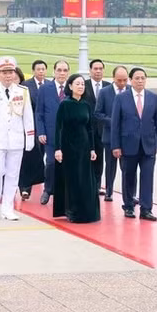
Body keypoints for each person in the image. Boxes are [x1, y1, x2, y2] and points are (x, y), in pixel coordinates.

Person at [0, 56, 35, 220]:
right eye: (5, 72)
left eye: (11, 72)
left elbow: (28, 117)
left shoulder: (22, 92)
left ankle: (7, 207)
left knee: (12, 174)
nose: (8, 75)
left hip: (16, 139)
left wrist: (29, 137)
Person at [111, 67, 157, 221]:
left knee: (147, 177)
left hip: (148, 145)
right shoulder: (121, 98)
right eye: (137, 78)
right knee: (129, 176)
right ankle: (128, 206)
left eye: (143, 78)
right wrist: (116, 145)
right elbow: (116, 123)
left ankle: (146, 209)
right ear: (130, 80)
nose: (140, 81)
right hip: (128, 145)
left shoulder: (153, 97)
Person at [53, 73, 100, 223]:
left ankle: (87, 211)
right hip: (69, 147)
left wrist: (92, 149)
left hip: (84, 147)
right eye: (77, 84)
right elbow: (58, 128)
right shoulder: (65, 104)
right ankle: (72, 211)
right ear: (70, 86)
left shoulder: (86, 105)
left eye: (82, 84)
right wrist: (58, 148)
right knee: (72, 179)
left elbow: (90, 128)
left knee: (85, 179)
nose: (80, 86)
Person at [36, 60, 70, 205]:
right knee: (51, 163)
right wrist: (41, 132)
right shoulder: (45, 89)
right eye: (59, 70)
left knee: (67, 165)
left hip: (68, 136)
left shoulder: (72, 89)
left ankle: (65, 194)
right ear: (54, 71)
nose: (62, 73)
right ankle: (48, 190)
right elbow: (39, 113)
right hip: (50, 135)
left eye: (65, 70)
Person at [95, 65, 128, 201]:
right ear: (113, 78)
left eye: (125, 80)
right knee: (110, 165)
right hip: (110, 136)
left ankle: (130, 193)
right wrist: (113, 122)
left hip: (127, 137)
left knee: (127, 167)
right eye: (119, 80)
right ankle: (109, 191)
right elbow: (97, 113)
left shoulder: (131, 91)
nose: (122, 84)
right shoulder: (104, 92)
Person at [14, 67, 45, 200]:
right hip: (10, 132)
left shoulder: (25, 91)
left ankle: (25, 187)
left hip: (27, 130)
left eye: (16, 78)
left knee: (27, 159)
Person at [83, 59, 110, 195]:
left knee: (100, 159)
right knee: (86, 158)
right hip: (86, 129)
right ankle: (87, 184)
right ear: (90, 70)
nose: (98, 71)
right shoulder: (84, 85)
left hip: (103, 129)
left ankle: (97, 185)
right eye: (95, 68)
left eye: (100, 68)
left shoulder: (108, 86)